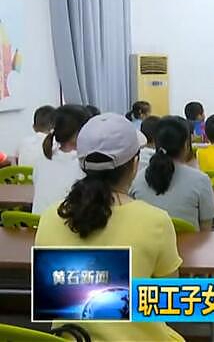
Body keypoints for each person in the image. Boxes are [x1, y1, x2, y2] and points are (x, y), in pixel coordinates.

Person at [35, 113, 184, 342]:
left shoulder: (50, 217)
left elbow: (53, 294)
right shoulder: (155, 221)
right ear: (134, 164)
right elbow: (168, 301)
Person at [131, 116, 214, 230]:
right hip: (190, 242)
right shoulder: (201, 180)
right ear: (186, 145)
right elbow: (206, 230)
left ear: (156, 143)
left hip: (148, 241)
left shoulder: (136, 180)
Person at [32, 105, 91, 214]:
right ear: (80, 132)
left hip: (38, 222)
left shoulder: (42, 159)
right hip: (64, 223)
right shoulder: (83, 165)